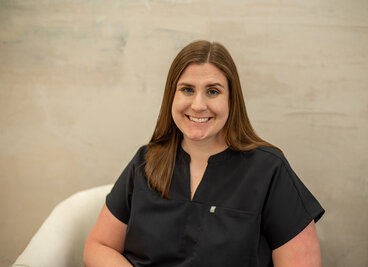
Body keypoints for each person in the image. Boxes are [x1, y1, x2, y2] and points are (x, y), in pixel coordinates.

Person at [84, 40, 325, 267]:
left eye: (212, 91)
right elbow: (98, 246)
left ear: (232, 99)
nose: (198, 105)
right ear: (172, 96)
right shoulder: (145, 162)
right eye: (187, 89)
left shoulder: (269, 170)